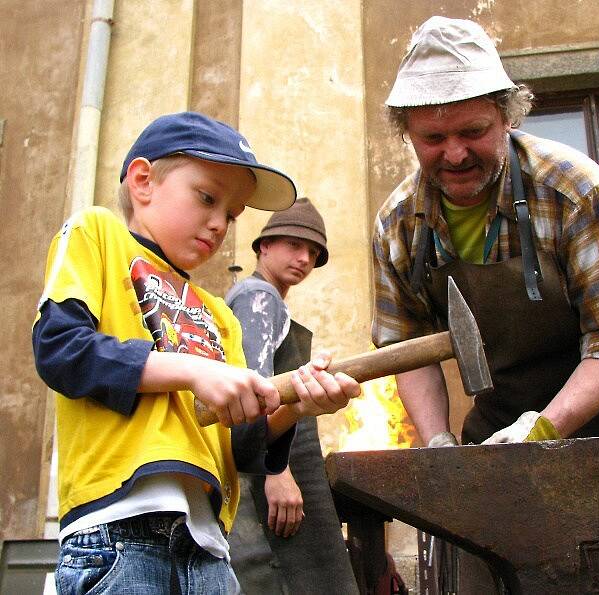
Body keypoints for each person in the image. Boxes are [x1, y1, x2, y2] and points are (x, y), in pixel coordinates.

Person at [371, 17, 599, 591]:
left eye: (474, 131)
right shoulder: (399, 224)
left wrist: (547, 429)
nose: (454, 154)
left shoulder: (575, 190)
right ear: (407, 134)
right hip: (495, 433)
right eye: (432, 138)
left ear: (507, 115)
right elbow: (406, 349)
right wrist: (438, 444)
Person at [32, 111, 360, 594]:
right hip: (118, 532)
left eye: (231, 215)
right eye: (207, 197)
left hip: (208, 547)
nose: (218, 224)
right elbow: (61, 350)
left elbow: (243, 444)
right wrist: (192, 371)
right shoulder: (95, 235)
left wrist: (297, 404)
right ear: (143, 181)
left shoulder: (218, 315)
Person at [226, 198, 358, 593]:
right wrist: (276, 472)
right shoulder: (257, 298)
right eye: (294, 246)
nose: (304, 258)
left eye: (313, 252)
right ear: (264, 246)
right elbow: (254, 393)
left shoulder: (269, 301)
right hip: (265, 476)